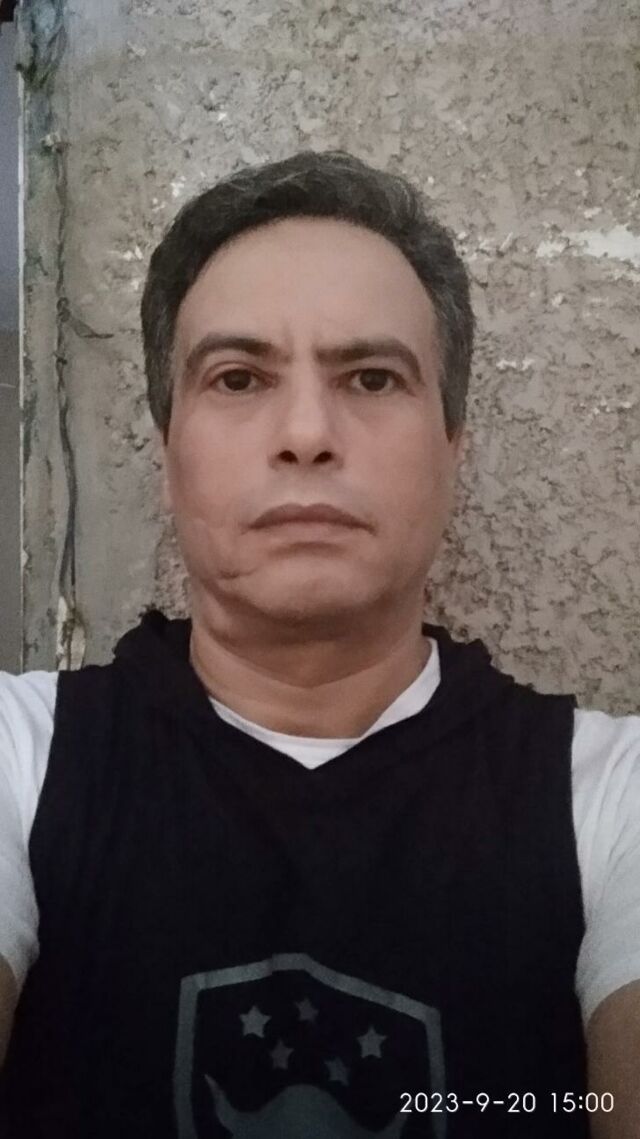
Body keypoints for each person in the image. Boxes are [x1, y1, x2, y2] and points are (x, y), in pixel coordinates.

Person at [0, 149, 638, 1139]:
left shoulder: (612, 798)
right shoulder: (19, 760)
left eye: (372, 376)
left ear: (452, 447)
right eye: (238, 377)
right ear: (168, 453)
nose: (305, 431)